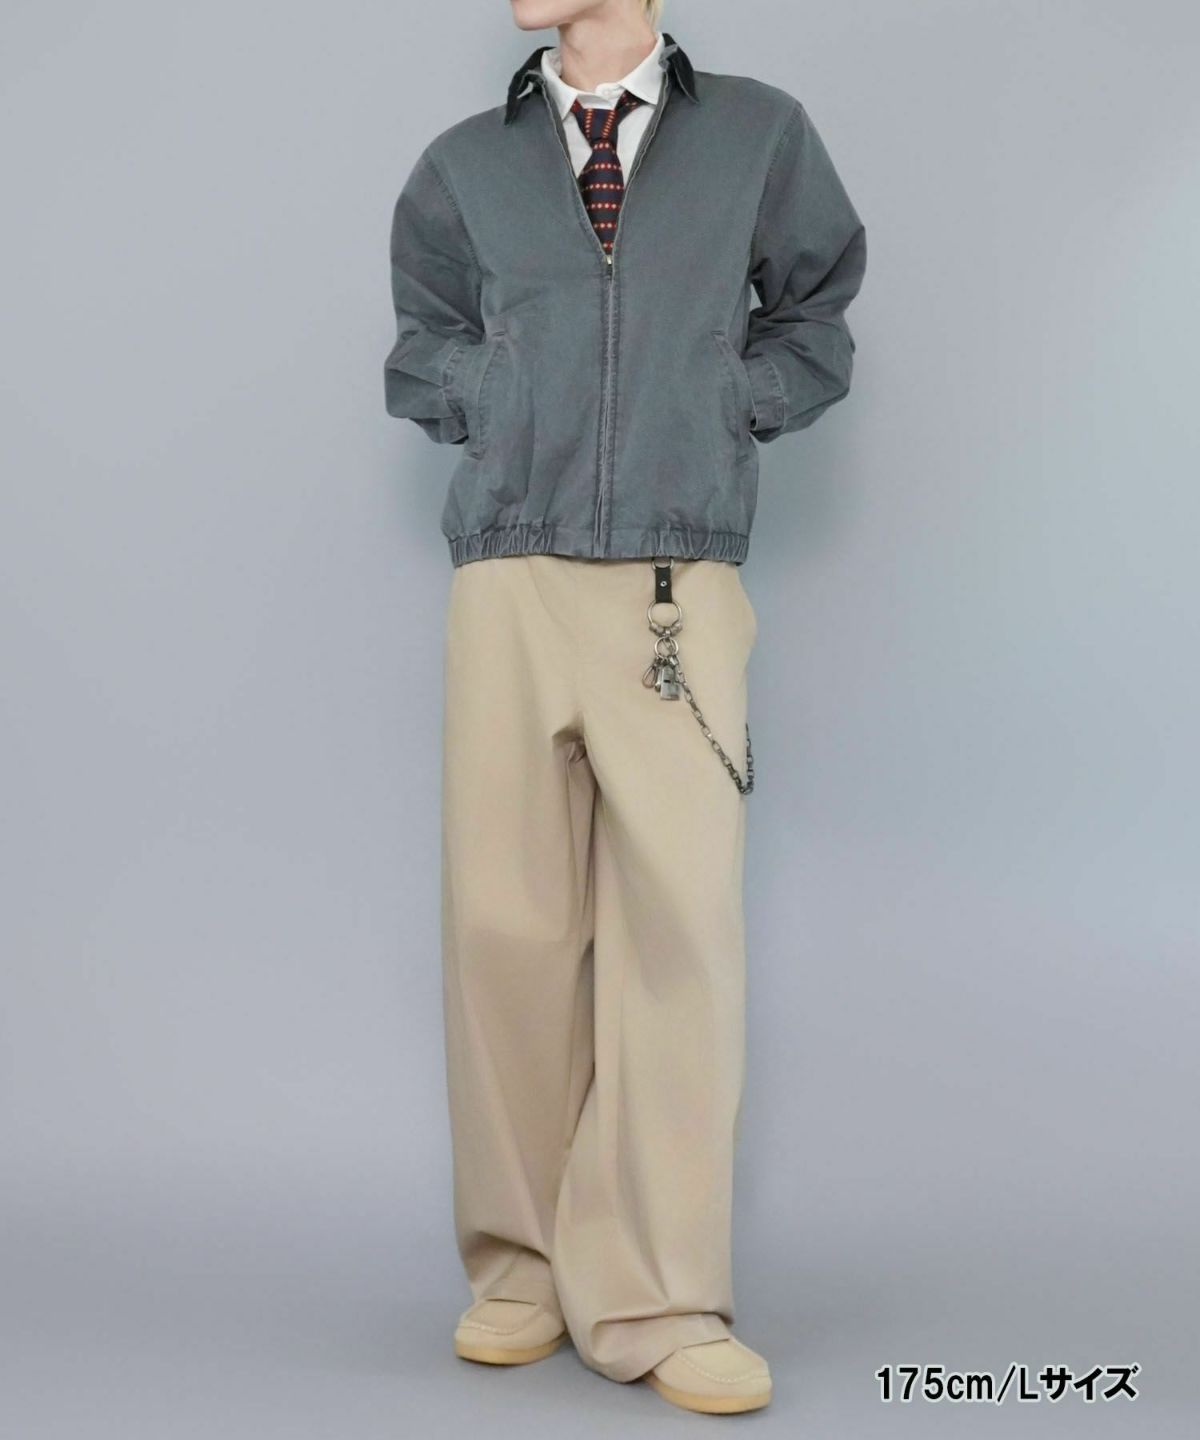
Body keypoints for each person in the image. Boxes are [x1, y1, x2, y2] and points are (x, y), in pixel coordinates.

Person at [384, 0, 866, 1415]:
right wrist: (498, 392)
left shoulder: (758, 136)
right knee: (506, 930)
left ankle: (660, 1294)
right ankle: (523, 1267)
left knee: (678, 940)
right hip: (509, 574)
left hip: (675, 579)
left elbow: (818, 313)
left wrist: (725, 400)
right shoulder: (467, 161)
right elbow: (420, 345)